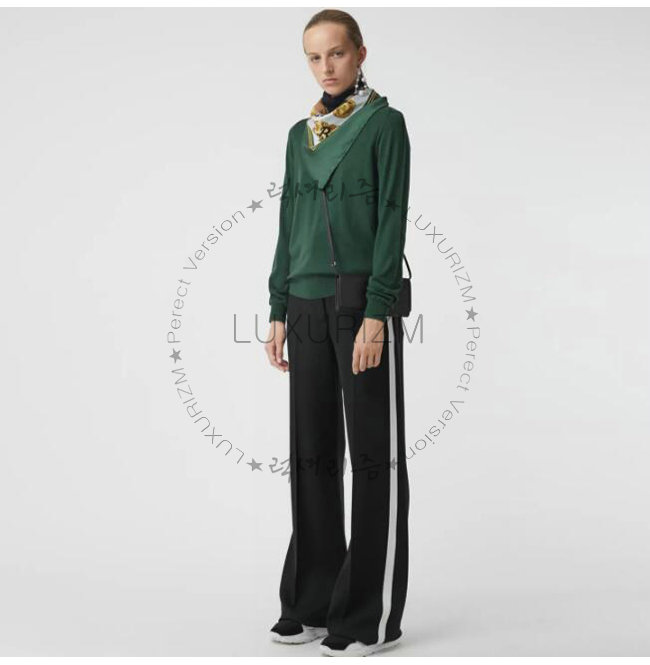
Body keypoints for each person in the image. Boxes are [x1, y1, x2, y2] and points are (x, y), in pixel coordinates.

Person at [264, 9, 411, 658]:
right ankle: (312, 600)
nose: (325, 66)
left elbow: (392, 217)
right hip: (303, 301)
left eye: (336, 53)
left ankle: (367, 616)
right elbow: (288, 219)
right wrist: (277, 305)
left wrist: (377, 311)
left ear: (360, 54)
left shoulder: (384, 124)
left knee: (373, 456)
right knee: (312, 455)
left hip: (359, 300)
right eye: (314, 56)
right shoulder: (299, 135)